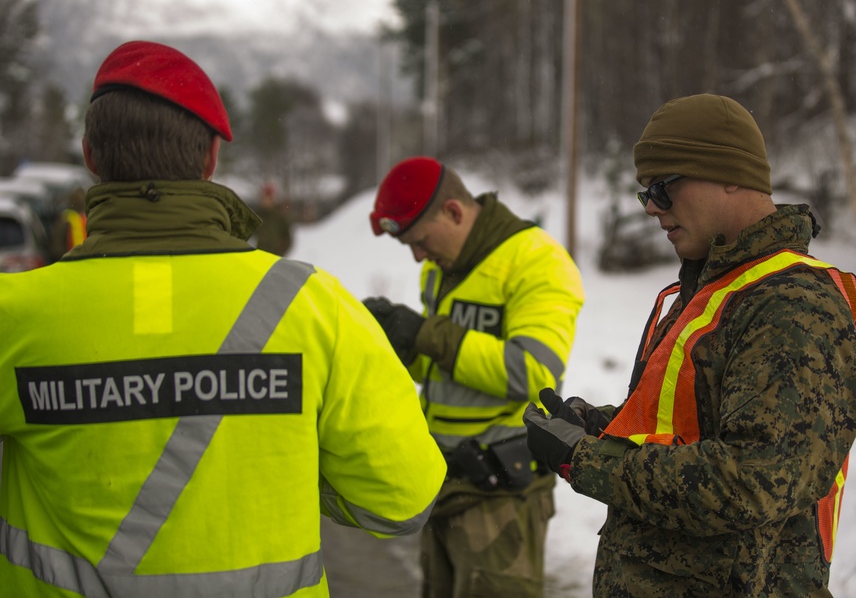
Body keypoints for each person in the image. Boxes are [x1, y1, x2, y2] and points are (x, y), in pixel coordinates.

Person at [0, 40, 445, 597]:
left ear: (91, 155)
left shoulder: (12, 315)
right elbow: (403, 498)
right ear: (211, 159)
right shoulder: (315, 307)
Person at [523, 94, 856, 597]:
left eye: (662, 188)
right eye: (645, 194)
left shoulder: (792, 304)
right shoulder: (718, 290)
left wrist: (589, 460)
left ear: (729, 173)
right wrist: (598, 427)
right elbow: (688, 427)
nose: (651, 209)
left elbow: (753, 479)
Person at [364, 157, 585, 597]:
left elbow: (532, 372)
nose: (418, 256)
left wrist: (428, 334)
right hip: (447, 485)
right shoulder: (442, 266)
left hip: (502, 498)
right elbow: (448, 370)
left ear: (453, 212)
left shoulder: (536, 261)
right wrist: (400, 346)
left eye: (421, 241)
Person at [254, 182, 293, 256]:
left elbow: (288, 239)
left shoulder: (279, 216)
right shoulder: (257, 215)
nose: (267, 201)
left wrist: (280, 253)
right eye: (265, 198)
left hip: (275, 256)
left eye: (269, 198)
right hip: (260, 255)